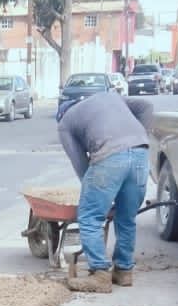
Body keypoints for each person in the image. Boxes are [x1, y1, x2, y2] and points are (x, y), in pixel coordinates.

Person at [57, 89, 155, 293]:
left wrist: (97, 193)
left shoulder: (65, 123)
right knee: (126, 218)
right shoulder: (111, 97)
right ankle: (124, 271)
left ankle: (100, 274)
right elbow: (147, 107)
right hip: (140, 154)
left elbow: (80, 164)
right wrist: (139, 137)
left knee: (90, 217)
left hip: (109, 156)